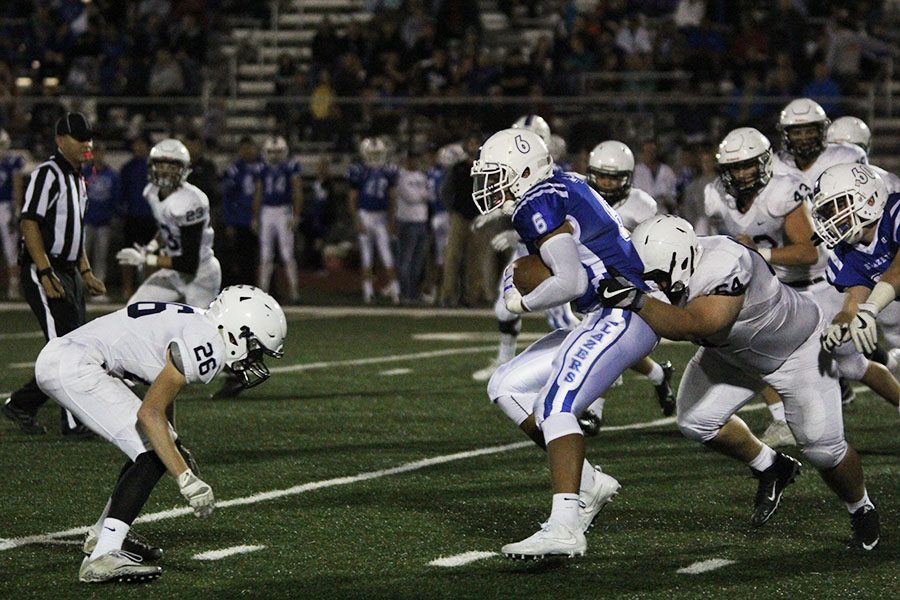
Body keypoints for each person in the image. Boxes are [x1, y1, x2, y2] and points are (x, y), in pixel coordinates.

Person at [595, 215, 881, 550]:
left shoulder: (726, 263)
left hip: (797, 352)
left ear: (683, 259)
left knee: (823, 449)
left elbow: (696, 325)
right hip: (733, 355)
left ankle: (860, 506)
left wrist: (637, 300)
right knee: (695, 421)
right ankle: (771, 466)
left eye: (656, 279)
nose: (651, 285)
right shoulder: (662, 260)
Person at [473, 128, 659, 559]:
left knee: (555, 406)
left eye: (496, 174)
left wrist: (523, 300)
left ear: (522, 171)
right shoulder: (564, 183)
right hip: (608, 311)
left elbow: (569, 279)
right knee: (505, 386)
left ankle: (565, 527)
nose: (488, 185)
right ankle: (589, 484)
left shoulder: (537, 200)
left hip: (625, 309)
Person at [34, 286, 287, 583]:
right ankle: (104, 554)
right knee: (152, 452)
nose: (255, 358)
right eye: (255, 347)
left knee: (156, 445)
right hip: (76, 366)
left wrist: (174, 442)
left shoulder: (202, 326)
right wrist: (185, 479)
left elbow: (164, 391)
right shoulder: (209, 345)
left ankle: (103, 536)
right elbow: (149, 414)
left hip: (71, 357)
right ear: (237, 333)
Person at [2, 112, 106, 437]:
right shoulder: (48, 174)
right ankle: (73, 422)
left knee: (74, 344)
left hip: (68, 269)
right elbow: (29, 222)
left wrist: (85, 270)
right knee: (64, 347)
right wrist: (44, 270)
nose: (87, 144)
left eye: (89, 137)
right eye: (80, 138)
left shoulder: (78, 178)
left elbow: (76, 229)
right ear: (61, 141)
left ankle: (22, 403)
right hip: (44, 268)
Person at [775, 98, 876, 406]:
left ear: (822, 131)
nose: (803, 137)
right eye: (797, 131)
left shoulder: (846, 156)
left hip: (841, 261)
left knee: (851, 355)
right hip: (796, 271)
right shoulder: (776, 166)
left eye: (809, 130)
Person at [577, 140, 677, 432]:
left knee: (606, 342)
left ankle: (594, 411)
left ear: (628, 178)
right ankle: (659, 374)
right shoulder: (580, 195)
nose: (607, 183)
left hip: (630, 282)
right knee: (615, 347)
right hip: (592, 281)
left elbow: (654, 246)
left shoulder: (641, 205)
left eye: (614, 177)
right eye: (602, 176)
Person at [471, 115, 579, 383]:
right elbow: (516, 202)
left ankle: (596, 357)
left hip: (550, 255)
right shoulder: (519, 173)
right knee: (504, 310)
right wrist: (496, 215)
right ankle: (504, 361)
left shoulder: (551, 177)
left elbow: (550, 224)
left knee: (561, 320)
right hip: (528, 252)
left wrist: (515, 235)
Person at [813, 162, 900, 414]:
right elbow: (853, 304)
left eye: (838, 206)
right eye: (827, 211)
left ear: (869, 198)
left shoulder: (895, 211)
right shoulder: (848, 252)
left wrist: (871, 309)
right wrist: (839, 325)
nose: (832, 218)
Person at [115, 138, 221, 309]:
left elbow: (188, 263)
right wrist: (150, 247)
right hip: (174, 272)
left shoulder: (192, 201)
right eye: (161, 165)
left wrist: (146, 258)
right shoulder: (151, 192)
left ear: (184, 170)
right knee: (135, 310)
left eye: (172, 167)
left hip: (200, 273)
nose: (165, 171)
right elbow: (167, 228)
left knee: (199, 330)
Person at [347, 137, 400, 304]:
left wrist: (391, 220)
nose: (375, 157)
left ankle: (395, 289)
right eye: (372, 154)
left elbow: (392, 198)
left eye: (378, 154)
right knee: (367, 256)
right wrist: (357, 220)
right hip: (365, 215)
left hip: (381, 215)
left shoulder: (389, 171)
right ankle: (368, 291)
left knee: (386, 255)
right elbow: (352, 198)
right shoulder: (359, 171)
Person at [256, 136, 302, 304]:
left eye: (277, 152)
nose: (274, 156)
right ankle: (262, 292)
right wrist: (255, 215)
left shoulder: (291, 166)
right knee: (265, 255)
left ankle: (294, 292)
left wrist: (296, 214)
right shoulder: (262, 167)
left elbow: (297, 191)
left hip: (283, 211)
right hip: (267, 212)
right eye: (271, 152)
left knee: (287, 254)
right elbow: (259, 192)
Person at [118, 134, 156, 300]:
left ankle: (148, 289)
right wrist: (122, 210)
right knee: (128, 254)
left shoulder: (155, 168)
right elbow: (122, 192)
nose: (138, 147)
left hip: (151, 217)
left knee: (151, 255)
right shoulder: (127, 168)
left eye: (141, 144)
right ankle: (127, 288)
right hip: (132, 216)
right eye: (136, 144)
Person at [221, 136, 262, 287]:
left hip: (263, 219)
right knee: (243, 257)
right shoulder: (235, 169)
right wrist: (229, 222)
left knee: (265, 257)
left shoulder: (263, 166)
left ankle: (267, 287)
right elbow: (227, 198)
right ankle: (244, 287)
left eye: (250, 147)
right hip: (241, 220)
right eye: (244, 148)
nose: (248, 151)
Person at [82, 141, 119, 300]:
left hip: (103, 222)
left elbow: (115, 198)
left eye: (100, 152)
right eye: (95, 152)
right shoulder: (85, 173)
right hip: (87, 220)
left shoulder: (111, 175)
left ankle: (97, 289)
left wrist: (112, 216)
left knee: (100, 258)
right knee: (81, 256)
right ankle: (78, 287)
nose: (98, 156)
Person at [394, 151, 431, 303]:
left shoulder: (422, 176)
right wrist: (422, 196)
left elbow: (428, 195)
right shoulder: (401, 177)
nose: (415, 162)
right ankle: (404, 292)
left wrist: (422, 196)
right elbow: (411, 197)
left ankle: (414, 292)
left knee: (418, 260)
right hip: (407, 220)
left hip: (421, 220)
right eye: (412, 160)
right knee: (406, 258)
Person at [0, 128, 25, 299]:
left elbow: (17, 187)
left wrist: (17, 210)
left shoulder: (12, 162)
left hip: (6, 207)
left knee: (10, 248)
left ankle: (14, 285)